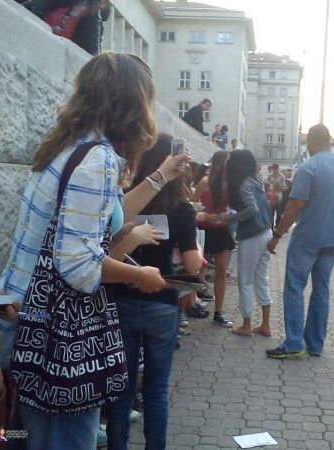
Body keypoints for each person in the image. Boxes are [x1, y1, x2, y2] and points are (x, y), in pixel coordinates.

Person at [0, 52, 189, 450]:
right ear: (133, 104)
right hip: (53, 338)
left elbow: (103, 219)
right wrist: (140, 275)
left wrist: (162, 175)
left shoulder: (73, 148)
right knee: (58, 440)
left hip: (22, 323)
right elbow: (78, 265)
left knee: (19, 433)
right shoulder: (96, 160)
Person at [106, 133, 203, 450]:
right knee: (157, 391)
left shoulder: (124, 203)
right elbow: (193, 265)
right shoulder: (182, 209)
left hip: (121, 299)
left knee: (122, 387)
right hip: (162, 303)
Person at [266, 124, 334, 358]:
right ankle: (315, 344)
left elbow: (295, 206)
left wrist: (276, 235)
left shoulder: (308, 168)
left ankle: (294, 343)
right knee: (322, 289)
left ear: (312, 143)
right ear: (329, 141)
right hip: (333, 239)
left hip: (307, 238)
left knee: (295, 287)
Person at [225, 150, 273, 337]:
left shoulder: (243, 183)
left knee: (245, 280)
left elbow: (252, 209)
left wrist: (232, 218)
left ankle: (246, 325)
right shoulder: (256, 180)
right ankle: (265, 325)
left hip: (252, 234)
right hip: (266, 231)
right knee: (261, 278)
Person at [191, 151, 234, 328]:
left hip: (221, 230)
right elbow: (190, 207)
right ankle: (186, 307)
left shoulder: (231, 183)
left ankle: (219, 312)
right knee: (194, 269)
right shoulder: (205, 182)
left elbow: (235, 207)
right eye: (227, 162)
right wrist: (205, 216)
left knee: (221, 271)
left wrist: (229, 216)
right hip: (202, 230)